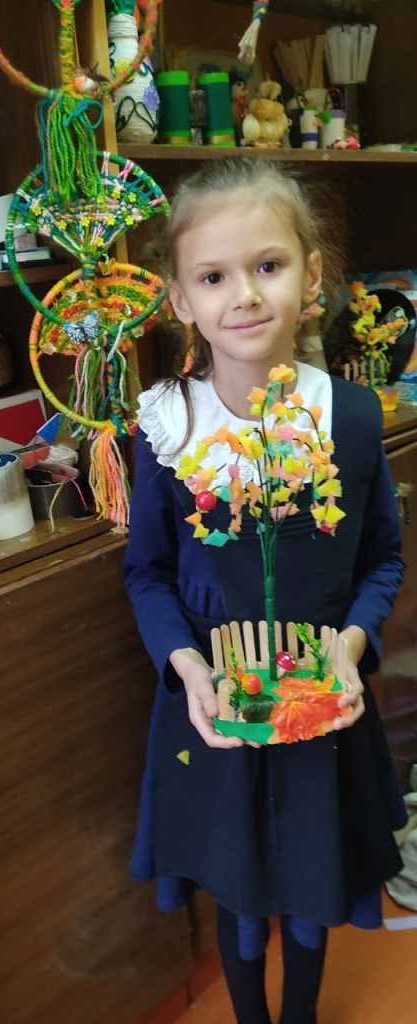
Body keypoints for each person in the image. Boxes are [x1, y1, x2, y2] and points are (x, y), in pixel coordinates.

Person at [123, 158, 407, 1024]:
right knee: (240, 888)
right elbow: (148, 573)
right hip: (213, 709)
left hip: (325, 705)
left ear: (311, 277)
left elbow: (381, 561)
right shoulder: (168, 424)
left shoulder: (350, 418)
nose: (243, 295)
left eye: (268, 265)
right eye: (212, 276)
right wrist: (186, 667)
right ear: (179, 299)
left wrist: (350, 644)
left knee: (315, 879)